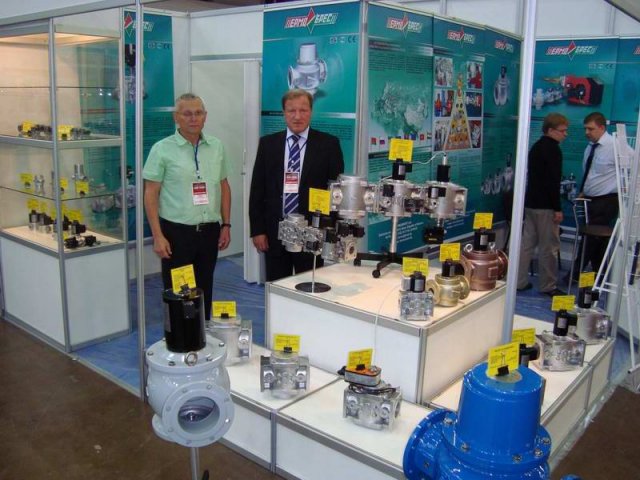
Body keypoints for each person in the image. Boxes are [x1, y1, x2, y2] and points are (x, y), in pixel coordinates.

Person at [143, 93, 232, 320]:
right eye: (187, 114)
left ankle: (202, 332)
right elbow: (150, 193)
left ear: (205, 116)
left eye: (198, 113)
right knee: (179, 291)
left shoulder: (216, 146)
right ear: (176, 117)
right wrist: (158, 236)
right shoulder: (162, 149)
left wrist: (226, 225)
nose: (194, 118)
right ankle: (180, 337)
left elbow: (223, 186)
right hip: (177, 235)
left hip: (209, 231)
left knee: (204, 286)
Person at [249, 89, 344, 282]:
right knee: (277, 287)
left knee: (309, 287)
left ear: (311, 112)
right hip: (275, 232)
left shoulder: (329, 144)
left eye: (303, 110)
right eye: (291, 110)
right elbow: (257, 189)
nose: (297, 116)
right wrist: (258, 230)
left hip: (312, 232)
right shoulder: (268, 144)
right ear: (284, 113)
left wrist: (329, 232)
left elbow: (336, 193)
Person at [517, 113, 569, 296]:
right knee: (549, 247)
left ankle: (518, 281)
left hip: (531, 203)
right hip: (546, 207)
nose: (565, 134)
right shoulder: (554, 150)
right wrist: (557, 208)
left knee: (526, 245)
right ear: (551, 130)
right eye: (562, 131)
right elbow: (552, 182)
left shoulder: (536, 147)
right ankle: (548, 285)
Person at [572, 112, 619, 276]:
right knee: (596, 240)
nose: (587, 132)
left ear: (602, 128)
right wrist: (584, 191)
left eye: (590, 129)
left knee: (591, 238)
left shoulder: (615, 146)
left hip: (606, 201)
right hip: (590, 199)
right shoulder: (590, 147)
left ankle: (576, 272)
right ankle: (598, 275)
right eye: (585, 129)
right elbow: (592, 173)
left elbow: (635, 165)